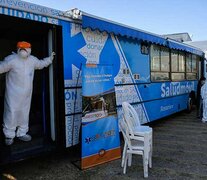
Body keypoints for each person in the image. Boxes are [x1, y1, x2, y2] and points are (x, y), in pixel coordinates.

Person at [0, 41, 55, 145]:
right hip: (13, 94)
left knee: (24, 113)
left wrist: (49, 59)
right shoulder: (11, 60)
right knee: (11, 113)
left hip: (26, 95)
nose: (23, 50)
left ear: (30, 49)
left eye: (25, 48)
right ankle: (9, 135)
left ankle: (22, 133)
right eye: (21, 48)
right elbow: (1, 67)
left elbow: (41, 64)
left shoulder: (32, 60)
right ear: (17, 49)